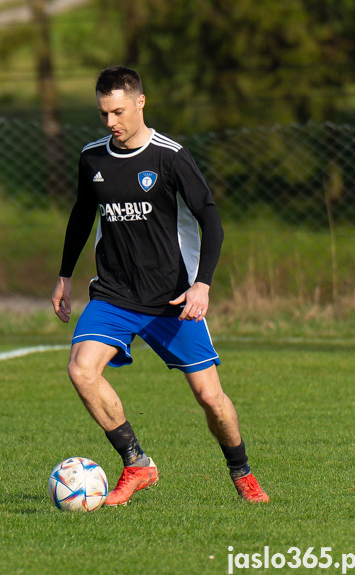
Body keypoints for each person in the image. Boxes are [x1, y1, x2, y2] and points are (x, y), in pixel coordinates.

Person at [51, 66, 268, 506]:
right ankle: (136, 463)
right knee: (81, 369)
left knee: (210, 397)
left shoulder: (171, 157)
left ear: (140, 102)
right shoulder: (93, 157)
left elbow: (211, 220)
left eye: (117, 111)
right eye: (103, 114)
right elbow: (80, 217)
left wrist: (201, 285)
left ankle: (242, 472)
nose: (110, 122)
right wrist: (64, 276)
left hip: (173, 298)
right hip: (114, 293)